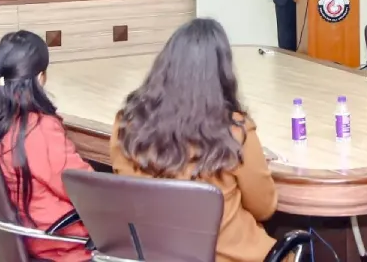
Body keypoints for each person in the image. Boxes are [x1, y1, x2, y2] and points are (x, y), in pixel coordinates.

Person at [110, 18, 277, 262]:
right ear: (222, 72)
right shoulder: (235, 131)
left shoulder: (127, 124)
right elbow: (265, 207)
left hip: (153, 254)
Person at [0, 31, 91, 262]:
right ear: (41, 77)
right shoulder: (38, 129)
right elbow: (84, 188)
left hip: (15, 234)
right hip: (58, 242)